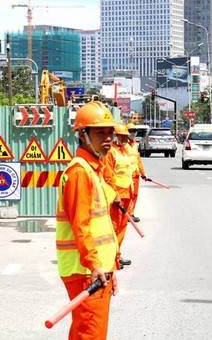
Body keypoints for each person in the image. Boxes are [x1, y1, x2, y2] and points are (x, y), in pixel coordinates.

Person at [55, 101, 120, 339]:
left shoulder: (94, 168)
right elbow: (80, 227)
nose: (108, 138)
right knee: (90, 334)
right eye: (100, 132)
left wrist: (110, 268)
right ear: (83, 135)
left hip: (95, 270)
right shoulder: (80, 172)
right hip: (86, 271)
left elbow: (99, 224)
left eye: (110, 132)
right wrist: (95, 265)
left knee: (85, 330)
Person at [103, 123, 134, 267]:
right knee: (114, 227)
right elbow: (108, 175)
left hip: (127, 193)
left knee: (122, 227)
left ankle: (117, 254)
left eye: (127, 137)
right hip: (117, 196)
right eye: (122, 137)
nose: (126, 140)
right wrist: (114, 194)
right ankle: (111, 258)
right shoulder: (111, 152)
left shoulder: (123, 151)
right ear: (115, 136)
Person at [126, 123, 147, 222]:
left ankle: (131, 214)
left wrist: (143, 173)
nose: (133, 133)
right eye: (131, 131)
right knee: (127, 195)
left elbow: (138, 159)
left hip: (135, 174)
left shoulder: (134, 144)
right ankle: (126, 214)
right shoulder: (123, 144)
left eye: (134, 131)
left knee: (134, 195)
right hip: (126, 175)